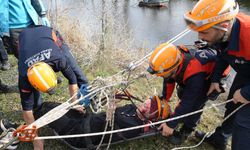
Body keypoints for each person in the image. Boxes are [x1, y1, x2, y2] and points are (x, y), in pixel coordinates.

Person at [183, 0, 250, 149]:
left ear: (224, 26)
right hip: (245, 72)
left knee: (244, 124)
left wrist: (247, 93)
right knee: (233, 106)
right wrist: (215, 79)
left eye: (205, 32)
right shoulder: (223, 34)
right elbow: (222, 55)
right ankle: (220, 139)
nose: (200, 36)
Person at [0, 95, 170, 149]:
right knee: (49, 105)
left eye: (151, 104)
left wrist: (111, 103)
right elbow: (109, 115)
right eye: (149, 100)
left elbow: (113, 118)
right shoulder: (133, 109)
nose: (147, 102)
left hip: (79, 134)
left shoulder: (134, 128)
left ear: (152, 114)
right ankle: (33, 121)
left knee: (47, 110)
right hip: (86, 120)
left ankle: (16, 133)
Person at [18, 25, 88, 149]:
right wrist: (36, 141)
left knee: (75, 70)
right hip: (23, 37)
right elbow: (27, 112)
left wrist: (74, 103)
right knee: (32, 105)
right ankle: (38, 108)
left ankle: (83, 100)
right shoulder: (24, 77)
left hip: (47, 33)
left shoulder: (59, 59)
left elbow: (72, 80)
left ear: (52, 70)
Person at [147, 43, 220, 145]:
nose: (161, 77)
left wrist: (171, 124)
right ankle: (181, 117)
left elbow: (187, 103)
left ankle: (187, 129)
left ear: (174, 68)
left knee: (195, 106)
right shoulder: (172, 59)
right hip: (193, 76)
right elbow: (169, 80)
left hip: (209, 79)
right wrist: (164, 98)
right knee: (182, 92)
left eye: (163, 74)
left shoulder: (195, 75)